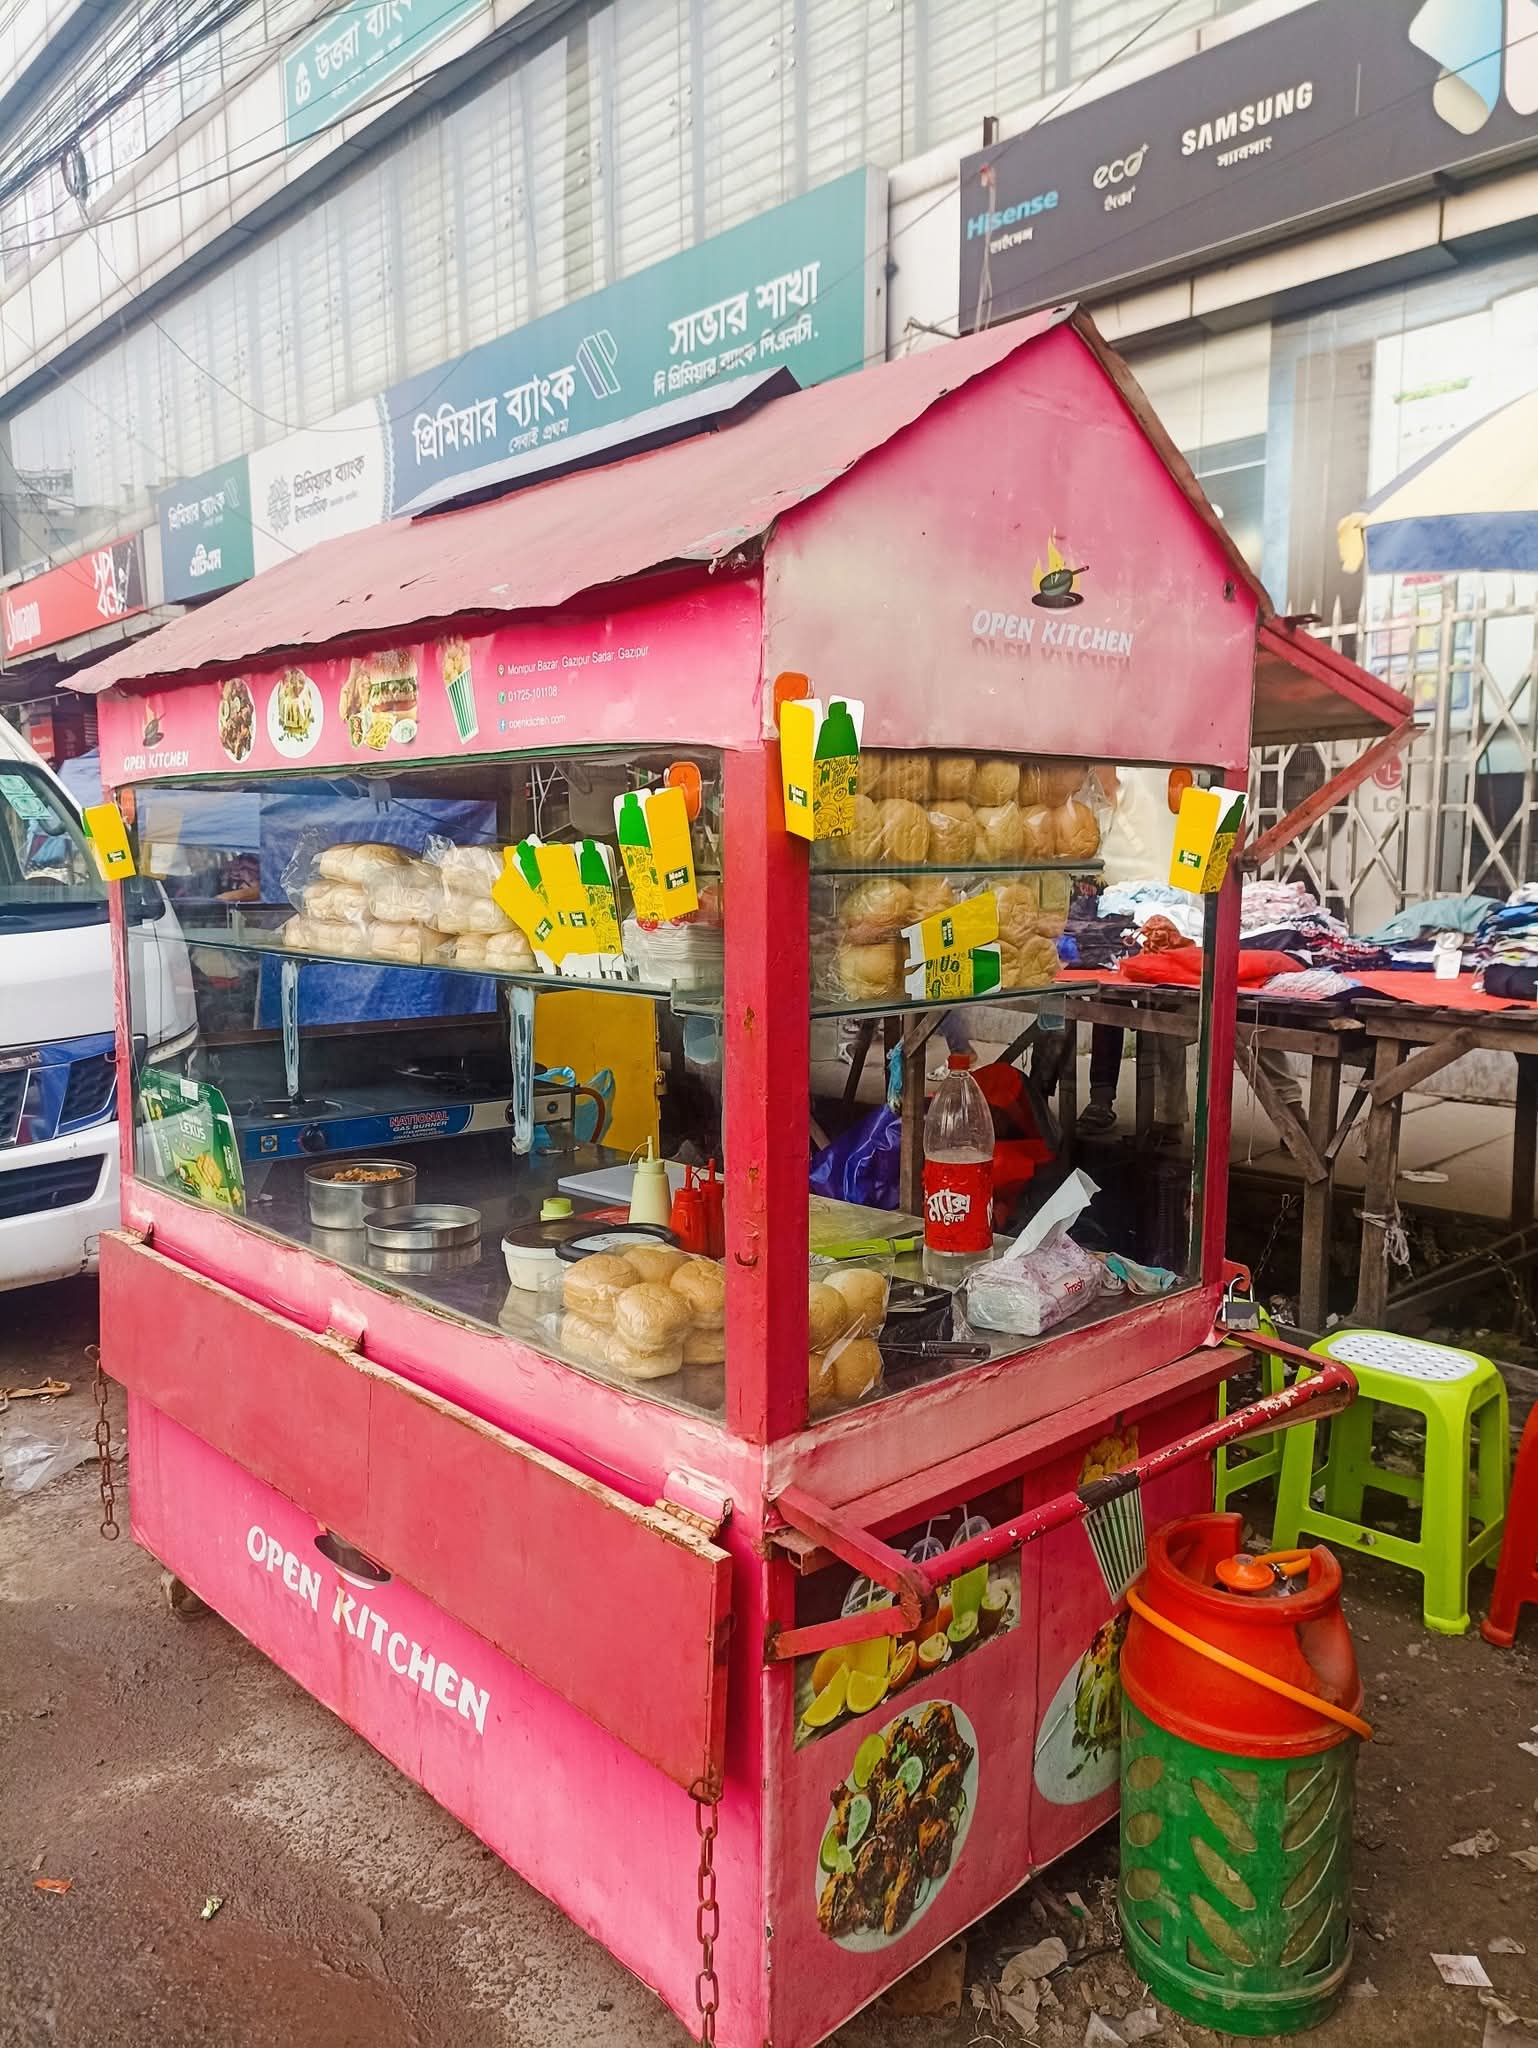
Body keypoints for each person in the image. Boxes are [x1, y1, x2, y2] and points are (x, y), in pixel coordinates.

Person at [1078, 766, 1302, 1144]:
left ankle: (1285, 1112)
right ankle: (1165, 1118)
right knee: (1176, 1007)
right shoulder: (1172, 762)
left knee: (1231, 1007)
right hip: (1160, 909)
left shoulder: (1150, 764)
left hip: (1178, 907)